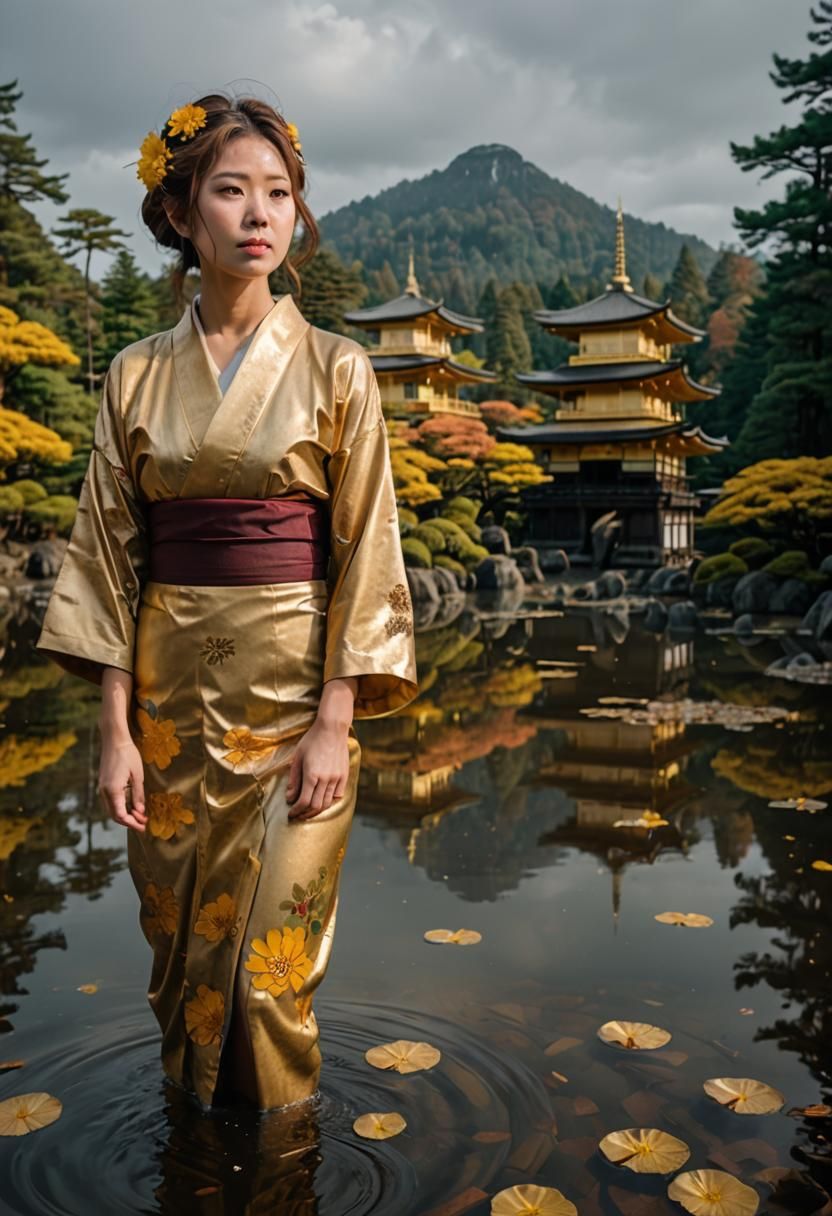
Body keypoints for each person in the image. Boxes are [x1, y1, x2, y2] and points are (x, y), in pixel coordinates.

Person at [35, 92, 419, 1112]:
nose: (259, 213)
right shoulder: (134, 374)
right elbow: (110, 561)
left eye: (279, 193)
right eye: (232, 190)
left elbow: (366, 546)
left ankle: (285, 1163)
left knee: (269, 970)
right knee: (182, 967)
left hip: (297, 705)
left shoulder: (339, 367)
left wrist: (337, 718)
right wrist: (112, 731)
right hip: (165, 713)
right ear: (181, 212)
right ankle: (198, 1152)